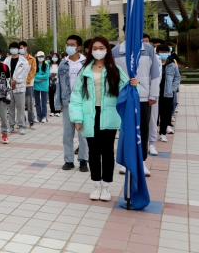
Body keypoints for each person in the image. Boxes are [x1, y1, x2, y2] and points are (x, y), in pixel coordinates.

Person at [70, 36, 130, 201]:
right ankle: (96, 184)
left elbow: (126, 90)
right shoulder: (85, 70)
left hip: (109, 115)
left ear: (107, 50)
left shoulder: (115, 70)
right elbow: (76, 96)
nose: (98, 51)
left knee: (108, 151)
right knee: (93, 151)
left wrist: (134, 85)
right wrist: (77, 118)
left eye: (101, 48)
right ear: (90, 50)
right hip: (90, 115)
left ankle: (107, 186)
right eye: (95, 48)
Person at [113, 26, 160, 177]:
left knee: (142, 129)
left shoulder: (148, 49)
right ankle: (126, 162)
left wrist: (153, 95)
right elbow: (113, 75)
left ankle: (141, 162)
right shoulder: (116, 51)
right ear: (124, 32)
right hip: (124, 96)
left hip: (143, 97)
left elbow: (155, 74)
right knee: (126, 129)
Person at [55, 35, 89, 172]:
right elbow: (59, 86)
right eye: (67, 44)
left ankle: (83, 160)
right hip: (68, 102)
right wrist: (58, 104)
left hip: (83, 102)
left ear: (78, 47)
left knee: (83, 134)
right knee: (67, 134)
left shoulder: (86, 63)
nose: (69, 47)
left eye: (72, 45)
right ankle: (68, 160)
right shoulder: (63, 63)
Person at [156, 44, 181, 142]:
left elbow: (177, 78)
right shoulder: (153, 64)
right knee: (154, 115)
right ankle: (152, 132)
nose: (164, 54)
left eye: (166, 52)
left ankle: (162, 133)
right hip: (155, 93)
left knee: (164, 114)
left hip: (167, 94)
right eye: (161, 52)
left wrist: (172, 88)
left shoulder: (172, 65)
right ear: (157, 53)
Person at [5, 42, 30, 135]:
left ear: (18, 49)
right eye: (12, 48)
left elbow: (25, 74)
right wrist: (9, 81)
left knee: (20, 107)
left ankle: (21, 125)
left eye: (15, 48)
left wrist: (15, 81)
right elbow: (4, 73)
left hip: (19, 87)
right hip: (9, 87)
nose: (13, 50)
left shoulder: (24, 61)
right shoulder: (6, 60)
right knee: (10, 107)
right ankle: (11, 125)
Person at [19, 41, 37, 128]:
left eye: (21, 48)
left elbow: (33, 70)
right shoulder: (18, 59)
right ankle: (22, 121)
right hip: (19, 84)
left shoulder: (32, 59)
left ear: (26, 48)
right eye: (19, 48)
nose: (20, 50)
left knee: (29, 103)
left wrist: (27, 80)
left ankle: (31, 121)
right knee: (20, 104)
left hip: (28, 84)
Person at [33, 51, 50, 124]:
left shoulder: (46, 65)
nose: (41, 58)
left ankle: (44, 117)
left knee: (44, 103)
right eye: (39, 56)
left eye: (42, 56)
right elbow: (33, 76)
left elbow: (46, 76)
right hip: (36, 86)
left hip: (44, 86)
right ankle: (38, 117)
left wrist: (37, 77)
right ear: (37, 57)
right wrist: (39, 79)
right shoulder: (34, 66)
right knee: (37, 103)